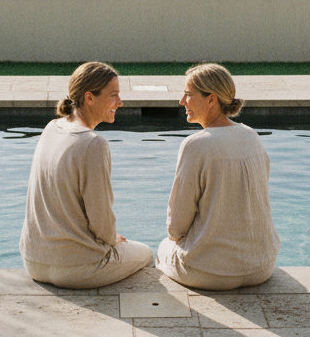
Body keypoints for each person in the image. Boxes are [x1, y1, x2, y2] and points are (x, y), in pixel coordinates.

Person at [20, 61, 153, 289]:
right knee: (147, 254)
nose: (119, 103)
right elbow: (100, 218)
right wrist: (113, 238)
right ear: (89, 97)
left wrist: (109, 235)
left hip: (33, 261)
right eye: (113, 95)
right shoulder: (93, 143)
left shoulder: (52, 127)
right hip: (77, 268)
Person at [157, 63, 280, 290]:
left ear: (211, 99)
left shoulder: (196, 145)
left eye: (187, 95)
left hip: (210, 272)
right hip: (262, 267)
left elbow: (176, 227)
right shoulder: (251, 135)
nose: (182, 102)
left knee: (161, 247)